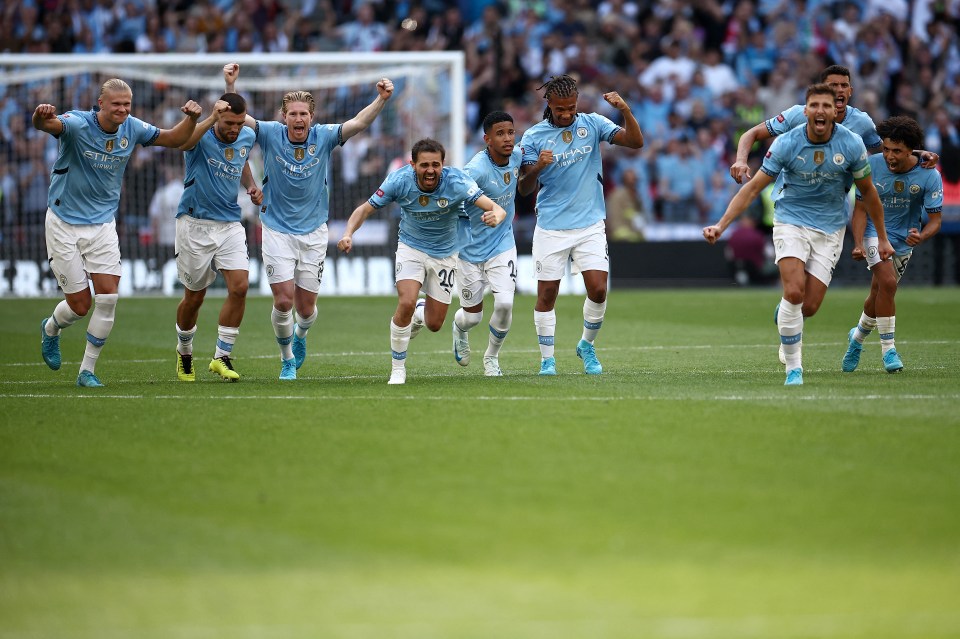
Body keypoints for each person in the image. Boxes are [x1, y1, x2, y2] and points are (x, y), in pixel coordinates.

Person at [703, 83, 894, 386]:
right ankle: (794, 368)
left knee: (810, 306)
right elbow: (753, 189)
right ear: (805, 110)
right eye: (814, 105)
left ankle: (786, 317)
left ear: (835, 112)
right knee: (794, 291)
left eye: (826, 106)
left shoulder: (853, 143)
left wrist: (882, 238)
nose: (820, 111)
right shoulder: (786, 143)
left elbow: (869, 194)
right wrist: (722, 224)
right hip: (790, 220)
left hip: (831, 228)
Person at [223, 63, 394, 380]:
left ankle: (300, 336)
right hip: (275, 229)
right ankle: (287, 359)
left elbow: (357, 123)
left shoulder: (324, 136)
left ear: (311, 117)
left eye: (304, 114)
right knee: (284, 300)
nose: (298, 119)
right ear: (283, 116)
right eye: (293, 114)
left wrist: (381, 100)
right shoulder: (271, 134)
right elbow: (236, 116)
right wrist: (230, 85)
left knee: (305, 309)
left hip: (314, 232)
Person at [33, 78, 201, 387]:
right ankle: (51, 329)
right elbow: (48, 125)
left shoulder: (133, 127)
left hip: (102, 224)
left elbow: (175, 139)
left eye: (127, 104)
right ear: (100, 105)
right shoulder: (78, 123)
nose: (123, 109)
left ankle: (87, 371)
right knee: (80, 306)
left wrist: (191, 119)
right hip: (63, 222)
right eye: (116, 104)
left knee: (108, 299)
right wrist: (41, 116)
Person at [337, 138, 507, 385]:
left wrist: (498, 214)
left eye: (435, 165)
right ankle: (398, 368)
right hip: (411, 248)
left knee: (435, 324)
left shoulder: (456, 181)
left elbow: (492, 206)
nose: (430, 170)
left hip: (446, 254)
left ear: (443, 164)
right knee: (405, 301)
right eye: (424, 165)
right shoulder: (399, 180)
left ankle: (420, 313)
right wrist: (347, 233)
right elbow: (364, 209)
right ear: (412, 164)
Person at [517, 74, 644, 376]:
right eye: (560, 108)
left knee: (598, 290)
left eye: (571, 107)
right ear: (548, 103)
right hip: (551, 226)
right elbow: (523, 188)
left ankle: (587, 345)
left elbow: (636, 142)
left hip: (589, 224)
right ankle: (547, 360)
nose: (566, 114)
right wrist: (537, 167)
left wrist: (625, 110)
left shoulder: (593, 124)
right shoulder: (533, 137)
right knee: (547, 295)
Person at [842, 116, 943, 373]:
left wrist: (922, 236)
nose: (889, 155)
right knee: (887, 284)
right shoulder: (871, 166)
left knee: (878, 295)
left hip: (903, 241)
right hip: (874, 234)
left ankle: (856, 340)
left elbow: (935, 221)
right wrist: (858, 243)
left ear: (911, 150)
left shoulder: (929, 175)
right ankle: (889, 351)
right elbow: (861, 210)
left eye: (896, 151)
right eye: (886, 149)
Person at [173, 93, 262, 383]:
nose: (235, 129)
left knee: (240, 287)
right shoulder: (200, 136)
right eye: (229, 123)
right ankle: (184, 352)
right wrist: (209, 117)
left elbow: (242, 159)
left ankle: (221, 357)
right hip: (194, 223)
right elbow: (183, 142)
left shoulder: (246, 136)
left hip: (229, 223)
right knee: (194, 297)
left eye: (239, 122)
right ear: (218, 118)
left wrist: (250, 185)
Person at [730, 65, 939, 186]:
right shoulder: (797, 114)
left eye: (844, 86)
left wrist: (918, 154)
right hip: (793, 200)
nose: (839, 90)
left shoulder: (862, 122)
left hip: (833, 208)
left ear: (850, 91)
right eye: (833, 85)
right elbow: (752, 133)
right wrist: (741, 160)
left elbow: (886, 151)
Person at [451, 111, 522, 377]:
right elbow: (454, 201)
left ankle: (491, 357)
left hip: (502, 244)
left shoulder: (517, 156)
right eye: (500, 134)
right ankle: (459, 329)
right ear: (487, 139)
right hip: (469, 251)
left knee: (504, 304)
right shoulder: (475, 170)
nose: (507, 139)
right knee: (472, 317)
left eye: (511, 132)